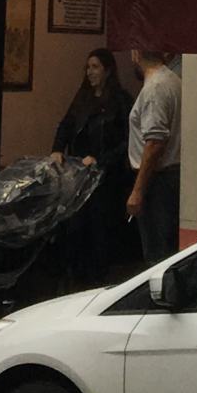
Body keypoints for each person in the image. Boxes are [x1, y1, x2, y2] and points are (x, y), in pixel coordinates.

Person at [53, 49, 132, 284]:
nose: (90, 72)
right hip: (80, 175)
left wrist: (101, 159)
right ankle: (75, 276)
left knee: (100, 230)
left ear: (108, 70)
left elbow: (127, 140)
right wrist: (57, 149)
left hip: (105, 178)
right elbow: (67, 124)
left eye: (95, 67)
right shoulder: (82, 98)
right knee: (76, 228)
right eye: (88, 67)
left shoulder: (120, 101)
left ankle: (98, 277)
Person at [124, 49, 182, 266]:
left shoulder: (154, 88)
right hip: (170, 175)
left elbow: (155, 142)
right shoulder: (172, 79)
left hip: (158, 179)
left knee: (158, 255)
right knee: (168, 249)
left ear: (136, 53)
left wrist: (138, 190)